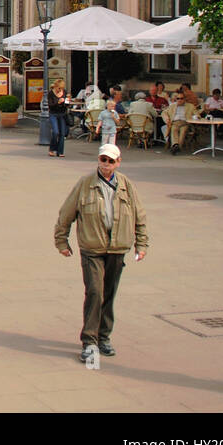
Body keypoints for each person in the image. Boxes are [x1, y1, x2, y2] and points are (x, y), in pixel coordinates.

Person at [54, 144, 149, 364]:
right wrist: (61, 240)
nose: (106, 164)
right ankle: (89, 341)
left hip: (117, 248)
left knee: (109, 293)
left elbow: (139, 216)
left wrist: (141, 244)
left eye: (110, 161)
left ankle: (104, 336)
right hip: (92, 248)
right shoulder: (85, 184)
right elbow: (66, 212)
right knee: (95, 292)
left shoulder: (126, 185)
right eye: (103, 160)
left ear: (118, 162)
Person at [48, 80, 71, 157]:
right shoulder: (50, 93)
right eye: (59, 88)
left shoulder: (64, 92)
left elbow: (67, 105)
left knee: (62, 133)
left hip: (62, 114)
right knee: (55, 132)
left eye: (61, 88)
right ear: (55, 86)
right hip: (53, 114)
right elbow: (50, 105)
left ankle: (60, 151)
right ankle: (52, 149)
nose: (60, 90)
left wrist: (67, 101)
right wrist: (58, 102)